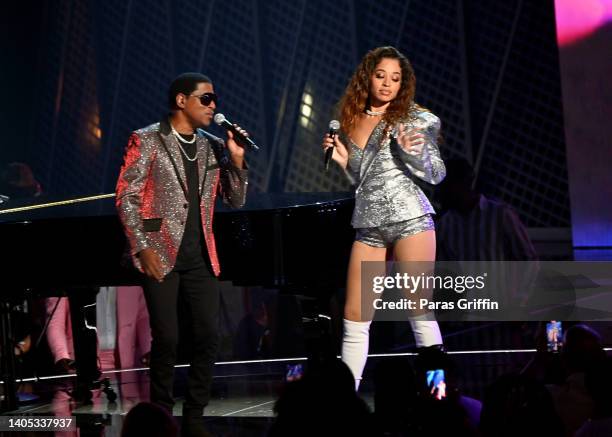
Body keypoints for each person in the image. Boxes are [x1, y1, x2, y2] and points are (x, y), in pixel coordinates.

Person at [116, 72, 249, 436]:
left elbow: (235, 199)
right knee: (168, 338)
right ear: (181, 101)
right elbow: (126, 196)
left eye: (214, 99)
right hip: (159, 251)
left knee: (208, 335)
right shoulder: (146, 140)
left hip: (201, 255)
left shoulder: (212, 145)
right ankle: (160, 413)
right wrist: (141, 247)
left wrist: (236, 160)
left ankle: (194, 413)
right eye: (206, 99)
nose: (213, 106)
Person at [322, 46, 446, 390]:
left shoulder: (417, 118)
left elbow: (437, 174)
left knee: (418, 309)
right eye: (381, 76)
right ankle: (347, 398)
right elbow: (366, 180)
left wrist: (416, 151)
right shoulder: (351, 119)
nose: (388, 84)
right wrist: (345, 162)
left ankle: (439, 393)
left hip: (410, 218)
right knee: (354, 315)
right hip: (369, 224)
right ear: (368, 77)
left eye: (395, 78)